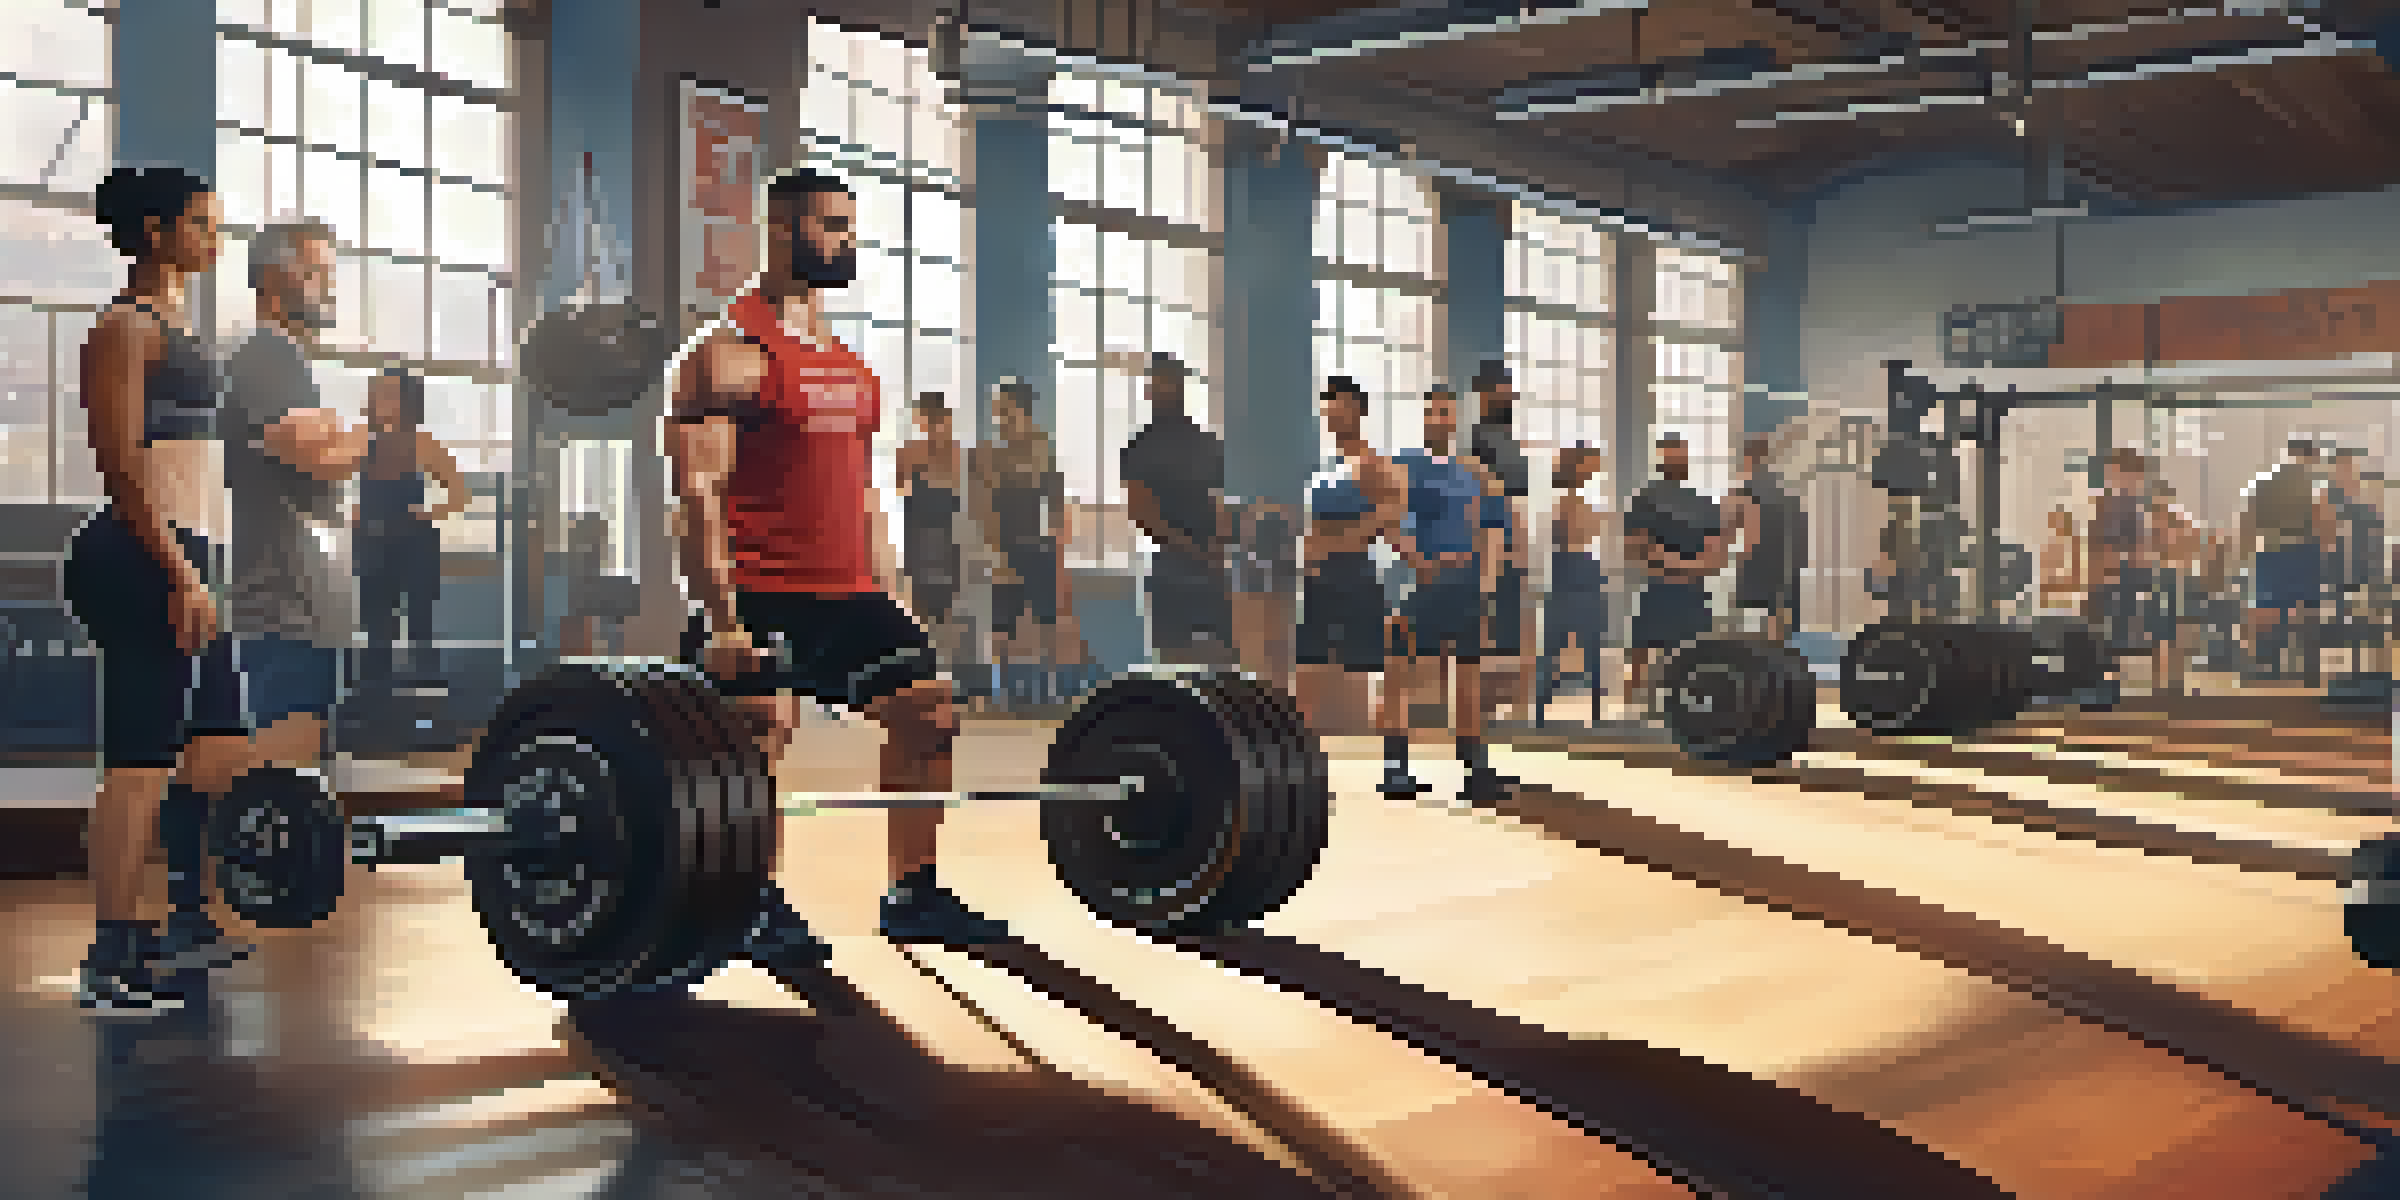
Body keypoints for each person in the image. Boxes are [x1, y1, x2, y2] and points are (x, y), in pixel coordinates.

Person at [668, 168, 1005, 979]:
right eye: (831, 227)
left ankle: (913, 893)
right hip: (760, 591)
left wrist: (894, 597)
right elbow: (698, 492)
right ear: (781, 233)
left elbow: (862, 497)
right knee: (757, 736)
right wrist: (721, 620)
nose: (847, 241)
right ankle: (750, 901)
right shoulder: (728, 360)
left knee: (928, 716)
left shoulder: (855, 373)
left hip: (849, 593)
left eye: (851, 226)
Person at [64, 166, 248, 1016]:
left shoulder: (182, 326)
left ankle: (184, 919)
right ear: (155, 229)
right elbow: (120, 460)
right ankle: (110, 958)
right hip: (144, 555)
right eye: (201, 225)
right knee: (140, 762)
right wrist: (178, 569)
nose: (214, 239)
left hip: (196, 555)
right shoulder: (124, 328)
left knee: (215, 750)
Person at [197, 217, 373, 974]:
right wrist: (365, 435)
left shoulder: (293, 363)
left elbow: (321, 455)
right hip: (282, 592)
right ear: (271, 279)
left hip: (315, 593)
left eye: (330, 270)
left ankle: (207, 896)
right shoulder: (268, 357)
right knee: (282, 752)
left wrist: (337, 439)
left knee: (295, 753)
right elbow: (319, 456)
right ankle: (188, 893)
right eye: (313, 271)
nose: (328, 284)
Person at [1378, 386, 1517, 802]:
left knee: (1469, 678)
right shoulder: (1404, 465)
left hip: (1465, 586)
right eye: (1433, 412)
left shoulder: (1474, 473)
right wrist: (1418, 563)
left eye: (1447, 413)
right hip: (1416, 584)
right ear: (1424, 417)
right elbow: (1385, 521)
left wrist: (1487, 589)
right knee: (1400, 674)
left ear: (1456, 419)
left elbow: (1494, 531)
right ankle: (1395, 769)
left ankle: (1475, 770)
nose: (1440, 419)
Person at [1293, 377, 1405, 732]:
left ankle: (1393, 762)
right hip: (1318, 581)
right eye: (1327, 408)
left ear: (1358, 412)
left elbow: (1390, 514)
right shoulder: (1325, 467)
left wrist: (1339, 540)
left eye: (1338, 407)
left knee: (1375, 672)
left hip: (1354, 577)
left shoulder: (1373, 465)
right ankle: (1298, 759)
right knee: (1308, 670)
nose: (1330, 415)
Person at [351, 369, 467, 690]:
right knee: (376, 626)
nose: (382, 400)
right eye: (379, 392)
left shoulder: (421, 442)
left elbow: (460, 493)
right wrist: (353, 516)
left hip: (414, 545)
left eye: (390, 394)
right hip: (371, 544)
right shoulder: (364, 441)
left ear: (407, 401)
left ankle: (427, 699)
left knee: (419, 623)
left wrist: (427, 513)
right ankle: (375, 698)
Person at [1121, 353, 1236, 667]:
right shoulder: (1141, 448)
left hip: (1200, 565)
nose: (1158, 389)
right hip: (1181, 564)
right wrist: (1204, 551)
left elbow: (1220, 505)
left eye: (1162, 382)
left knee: (1212, 656)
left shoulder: (1207, 444)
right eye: (1156, 383)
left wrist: (1215, 552)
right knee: (1181, 657)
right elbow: (1142, 514)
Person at [970, 380, 1071, 706]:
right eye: (997, 411)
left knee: (1047, 620)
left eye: (1004, 410)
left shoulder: (1043, 449)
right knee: (1001, 622)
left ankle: (1051, 688)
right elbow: (983, 507)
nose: (998, 417)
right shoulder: (990, 454)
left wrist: (1057, 549)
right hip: (1003, 548)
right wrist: (993, 553)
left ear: (1022, 410)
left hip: (1039, 547)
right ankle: (1002, 691)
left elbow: (1056, 502)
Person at [1622, 433, 1727, 714]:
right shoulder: (1645, 501)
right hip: (1663, 590)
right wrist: (1684, 565)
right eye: (1671, 453)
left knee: (1692, 661)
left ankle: (1687, 713)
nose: (1675, 458)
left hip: (1687, 592)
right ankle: (1635, 716)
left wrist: (1669, 560)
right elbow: (1634, 550)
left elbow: (1715, 559)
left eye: (1677, 452)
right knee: (1642, 659)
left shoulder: (1704, 504)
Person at [1466, 361, 1533, 722]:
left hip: (1509, 543)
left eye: (1509, 387)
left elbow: (1516, 499)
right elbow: (1482, 497)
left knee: (1507, 626)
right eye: (1501, 387)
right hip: (1488, 543)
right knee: (1487, 624)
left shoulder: (1507, 441)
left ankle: (1502, 706)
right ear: (1485, 392)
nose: (1508, 394)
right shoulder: (1478, 440)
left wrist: (1519, 545)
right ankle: (1481, 707)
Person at [2239, 438, 2336, 682]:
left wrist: (2247, 554)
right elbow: (2323, 521)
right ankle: (2310, 669)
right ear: (2311, 458)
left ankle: (2271, 667)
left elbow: (2248, 520)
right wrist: (2326, 551)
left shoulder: (2264, 483)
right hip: (2305, 552)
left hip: (2271, 552)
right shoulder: (2314, 486)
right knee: (2308, 612)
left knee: (2273, 612)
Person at [1535, 445, 1610, 727]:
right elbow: (1581, 533)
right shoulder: (1566, 503)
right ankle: (1590, 714)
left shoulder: (1567, 502)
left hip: (1573, 576)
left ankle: (1547, 713)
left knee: (1563, 652)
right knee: (1573, 651)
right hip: (1574, 576)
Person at [896, 391, 967, 671]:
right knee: (921, 606)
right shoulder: (909, 451)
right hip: (919, 535)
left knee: (948, 608)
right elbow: (902, 490)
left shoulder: (957, 453)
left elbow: (963, 495)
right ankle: (926, 668)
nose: (926, 425)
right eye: (922, 420)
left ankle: (947, 669)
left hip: (948, 537)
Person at [1726, 434, 1805, 644]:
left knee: (1760, 633)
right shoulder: (1786, 489)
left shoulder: (1746, 489)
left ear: (1747, 458)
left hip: (1759, 569)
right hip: (1789, 569)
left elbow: (1747, 533)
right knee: (1785, 630)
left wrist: (1737, 556)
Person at [2036, 506, 2083, 620]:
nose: (2057, 526)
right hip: (2051, 602)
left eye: (2060, 522)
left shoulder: (2076, 545)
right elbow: (2044, 575)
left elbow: (2078, 576)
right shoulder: (2048, 546)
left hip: (2070, 602)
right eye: (2055, 522)